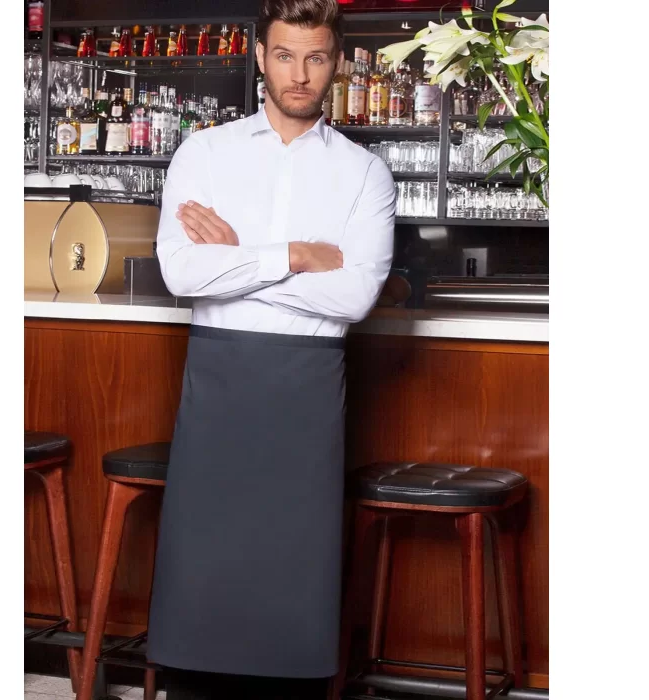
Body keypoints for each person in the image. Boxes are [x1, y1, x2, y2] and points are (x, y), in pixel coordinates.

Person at [145, 0, 396, 697]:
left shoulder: (365, 174)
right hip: (218, 377)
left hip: (306, 384)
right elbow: (183, 275)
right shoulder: (204, 154)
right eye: (285, 55)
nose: (300, 74)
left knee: (294, 577)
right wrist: (294, 256)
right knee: (203, 571)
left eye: (315, 57)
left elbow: (354, 298)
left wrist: (241, 263)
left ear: (337, 63)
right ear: (260, 56)